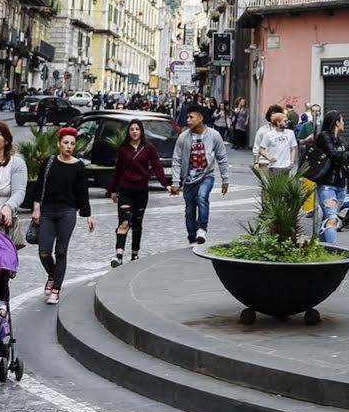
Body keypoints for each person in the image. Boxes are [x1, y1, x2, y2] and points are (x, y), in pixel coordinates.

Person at [24, 127, 93, 306]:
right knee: (44, 251)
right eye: (66, 143)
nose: (69, 146)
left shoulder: (78, 166)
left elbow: (82, 193)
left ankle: (56, 289)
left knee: (61, 251)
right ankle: (52, 274)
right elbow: (39, 187)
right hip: (47, 212)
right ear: (59, 144)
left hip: (67, 213)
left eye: (72, 144)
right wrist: (36, 208)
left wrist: (88, 215)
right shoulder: (50, 162)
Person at [107, 118, 170, 266]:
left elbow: (157, 167)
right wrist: (113, 190)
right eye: (132, 129)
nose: (134, 132)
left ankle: (135, 254)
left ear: (141, 131)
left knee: (137, 223)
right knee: (124, 222)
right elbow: (118, 171)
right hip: (125, 191)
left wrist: (166, 185)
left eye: (137, 129)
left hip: (141, 192)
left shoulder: (149, 148)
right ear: (128, 132)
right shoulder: (123, 150)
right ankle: (119, 255)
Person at [172, 106, 230, 245]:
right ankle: (192, 238)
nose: (188, 120)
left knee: (202, 197)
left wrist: (225, 179)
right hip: (188, 179)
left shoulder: (214, 135)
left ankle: (202, 229)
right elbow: (176, 160)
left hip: (206, 176)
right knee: (189, 210)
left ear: (201, 118)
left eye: (191, 117)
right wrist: (175, 182)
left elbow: (222, 158)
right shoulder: (183, 137)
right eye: (187, 117)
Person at [306, 111, 349, 245]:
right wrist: (343, 155)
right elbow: (333, 154)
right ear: (337, 122)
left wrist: (342, 156)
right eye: (342, 120)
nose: (344, 123)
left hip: (341, 185)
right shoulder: (324, 136)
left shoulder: (342, 140)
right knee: (332, 218)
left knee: (329, 217)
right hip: (327, 185)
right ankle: (334, 250)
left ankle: (321, 247)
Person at [251, 104, 297, 187]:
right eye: (272, 114)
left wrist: (291, 161)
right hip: (264, 163)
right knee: (267, 187)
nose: (274, 116)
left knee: (281, 187)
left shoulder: (288, 132)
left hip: (282, 164)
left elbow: (292, 148)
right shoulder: (263, 130)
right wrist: (256, 162)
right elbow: (257, 147)